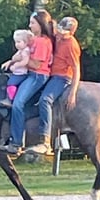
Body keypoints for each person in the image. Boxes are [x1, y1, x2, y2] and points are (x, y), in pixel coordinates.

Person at [0, 9, 55, 154]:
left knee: (18, 104)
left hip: (38, 76)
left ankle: (16, 142)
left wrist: (20, 61)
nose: (30, 26)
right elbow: (21, 54)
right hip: (29, 74)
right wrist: (12, 61)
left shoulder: (43, 42)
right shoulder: (34, 41)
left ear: (41, 24)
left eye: (33, 23)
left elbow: (36, 65)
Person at [26, 16, 81, 155]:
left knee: (45, 100)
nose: (60, 34)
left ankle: (45, 141)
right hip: (50, 74)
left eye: (64, 32)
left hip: (62, 77)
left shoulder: (72, 45)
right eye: (59, 30)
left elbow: (76, 69)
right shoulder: (57, 35)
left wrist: (73, 92)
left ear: (71, 32)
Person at [0, 29, 34, 107]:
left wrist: (16, 66)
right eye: (15, 42)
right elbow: (14, 58)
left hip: (21, 73)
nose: (16, 44)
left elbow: (25, 62)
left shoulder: (25, 52)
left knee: (11, 83)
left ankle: (10, 99)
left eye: (19, 42)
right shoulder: (20, 51)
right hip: (17, 72)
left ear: (25, 42)